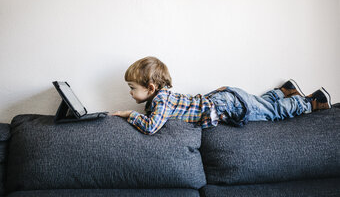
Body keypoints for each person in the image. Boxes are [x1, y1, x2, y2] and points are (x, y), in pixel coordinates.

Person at [111, 56, 332, 135]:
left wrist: (129, 115)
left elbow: (151, 127)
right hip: (224, 99)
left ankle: (310, 101)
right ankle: (283, 91)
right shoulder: (162, 98)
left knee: (271, 114)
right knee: (259, 103)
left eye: (132, 87)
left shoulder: (160, 101)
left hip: (228, 106)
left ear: (150, 88)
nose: (130, 92)